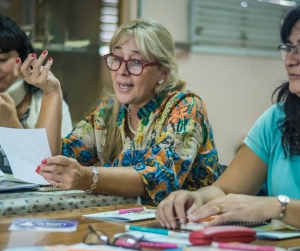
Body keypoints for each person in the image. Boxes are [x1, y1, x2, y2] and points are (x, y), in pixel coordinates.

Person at [16, 18, 222, 206]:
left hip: (185, 227)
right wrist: (52, 92)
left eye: (135, 62)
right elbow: (52, 161)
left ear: (162, 73)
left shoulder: (185, 107)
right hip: (123, 220)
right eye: (116, 58)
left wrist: (86, 176)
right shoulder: (107, 111)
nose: (122, 70)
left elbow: (158, 177)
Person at [155, 6, 300, 228]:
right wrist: (197, 198)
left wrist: (276, 207)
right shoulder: (276, 119)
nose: (290, 60)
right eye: (289, 48)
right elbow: (225, 190)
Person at [0, 14, 72, 173]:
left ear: (23, 56)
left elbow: (50, 173)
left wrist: (11, 125)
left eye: (3, 59)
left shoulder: (45, 102)